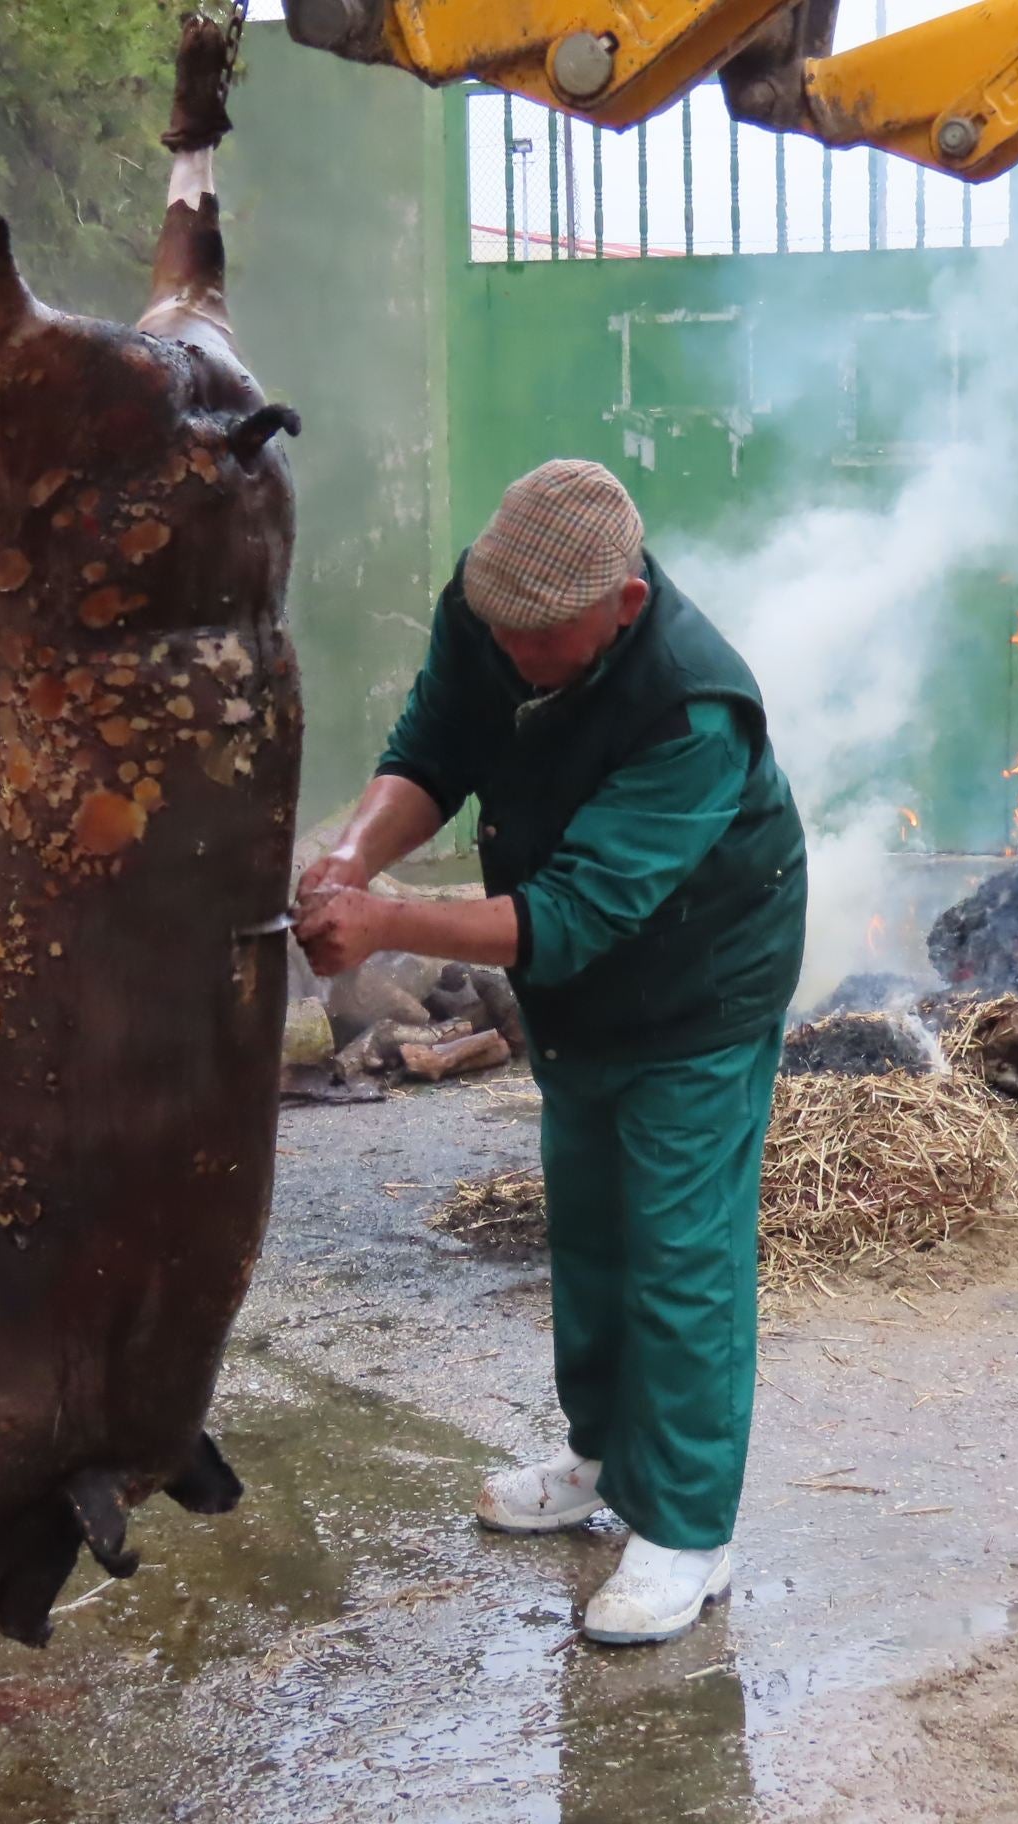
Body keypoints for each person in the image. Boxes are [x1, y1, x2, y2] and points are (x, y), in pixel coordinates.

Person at [295, 459, 808, 1646]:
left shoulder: (692, 709)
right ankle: (605, 1465)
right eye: (500, 629)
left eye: (542, 642)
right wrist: (352, 859)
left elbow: (571, 916)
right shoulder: (495, 607)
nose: (513, 655)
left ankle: (687, 1529)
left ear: (623, 608)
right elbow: (432, 748)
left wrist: (385, 922)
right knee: (587, 1225)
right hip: (581, 993)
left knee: (679, 1252)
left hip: (699, 986)